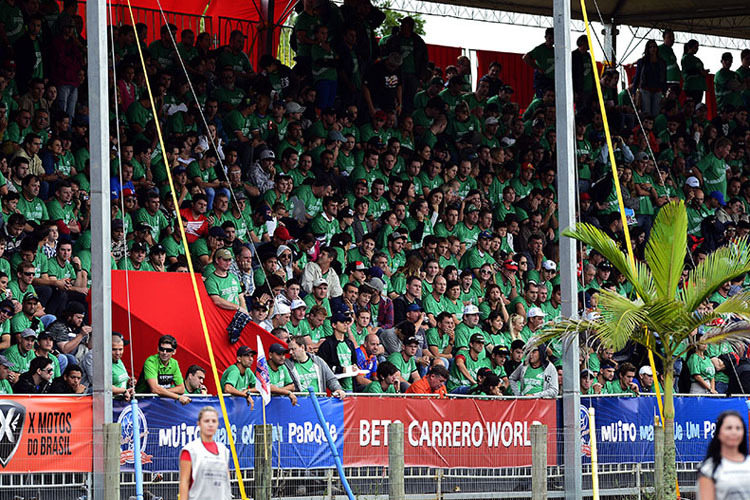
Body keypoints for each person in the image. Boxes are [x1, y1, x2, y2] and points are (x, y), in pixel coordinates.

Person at [179, 406, 232, 500]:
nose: (210, 424)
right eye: (206, 421)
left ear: (218, 424)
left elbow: (226, 483)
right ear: (199, 423)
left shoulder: (223, 450)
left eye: (214, 421)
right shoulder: (190, 450)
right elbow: (184, 483)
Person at [697, 410, 750, 499]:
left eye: (738, 428)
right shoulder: (709, 469)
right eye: (729, 428)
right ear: (718, 433)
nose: (734, 432)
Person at [135, 334, 191, 404]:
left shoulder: (174, 363)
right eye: (162, 349)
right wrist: (178, 397)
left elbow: (181, 389)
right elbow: (155, 389)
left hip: (159, 402)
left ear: (174, 352)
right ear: (158, 349)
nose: (164, 353)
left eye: (168, 350)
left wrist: (162, 391)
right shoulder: (150, 361)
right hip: (142, 402)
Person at [219, 345, 259, 409]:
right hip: (226, 407)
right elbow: (228, 388)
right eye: (247, 356)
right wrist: (246, 395)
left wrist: (247, 390)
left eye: (251, 356)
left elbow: (260, 387)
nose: (251, 359)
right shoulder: (234, 370)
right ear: (239, 359)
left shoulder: (248, 370)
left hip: (237, 407)